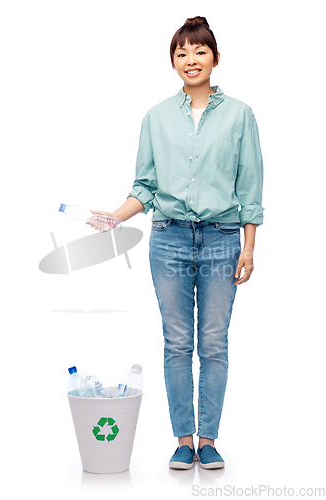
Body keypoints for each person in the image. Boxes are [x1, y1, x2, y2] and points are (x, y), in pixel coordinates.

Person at [87, 16, 264, 470]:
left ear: (215, 58)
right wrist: (115, 216)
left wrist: (249, 247)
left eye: (199, 51)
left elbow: (250, 189)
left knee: (215, 343)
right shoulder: (156, 117)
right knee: (177, 342)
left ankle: (209, 440)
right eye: (182, 53)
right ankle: (183, 440)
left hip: (225, 239)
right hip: (169, 240)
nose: (191, 60)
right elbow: (144, 187)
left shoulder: (241, 115)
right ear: (173, 62)